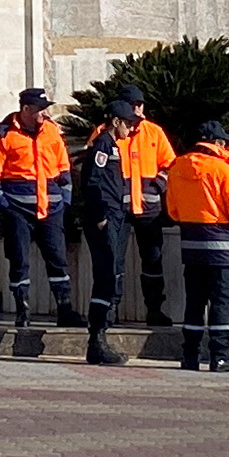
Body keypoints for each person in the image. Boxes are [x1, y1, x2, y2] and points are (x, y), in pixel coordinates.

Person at [0, 88, 81, 329]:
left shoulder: (52, 131)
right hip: (17, 210)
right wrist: (4, 206)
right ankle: (22, 311)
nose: (44, 114)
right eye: (39, 110)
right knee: (19, 260)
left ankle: (65, 309)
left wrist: (65, 199)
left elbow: (63, 167)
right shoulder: (3, 135)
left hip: (51, 208)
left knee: (57, 259)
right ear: (25, 109)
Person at [163, 120, 229, 373]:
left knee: (194, 302)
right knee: (221, 303)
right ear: (217, 143)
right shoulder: (222, 169)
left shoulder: (177, 167)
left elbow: (172, 210)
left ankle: (190, 356)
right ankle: (220, 357)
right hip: (222, 247)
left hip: (192, 245)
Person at [65, 93, 148, 366]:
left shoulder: (113, 146)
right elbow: (92, 183)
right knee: (106, 277)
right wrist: (101, 216)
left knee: (109, 277)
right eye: (128, 123)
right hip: (105, 218)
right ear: (116, 122)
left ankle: (99, 337)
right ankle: (97, 340)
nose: (131, 129)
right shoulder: (102, 145)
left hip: (115, 215)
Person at [114, 92, 178, 326]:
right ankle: (111, 309)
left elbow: (170, 164)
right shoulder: (107, 132)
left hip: (149, 210)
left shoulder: (154, 132)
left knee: (153, 259)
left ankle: (155, 310)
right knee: (114, 260)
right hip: (119, 210)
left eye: (140, 104)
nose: (138, 109)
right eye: (133, 104)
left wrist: (157, 185)